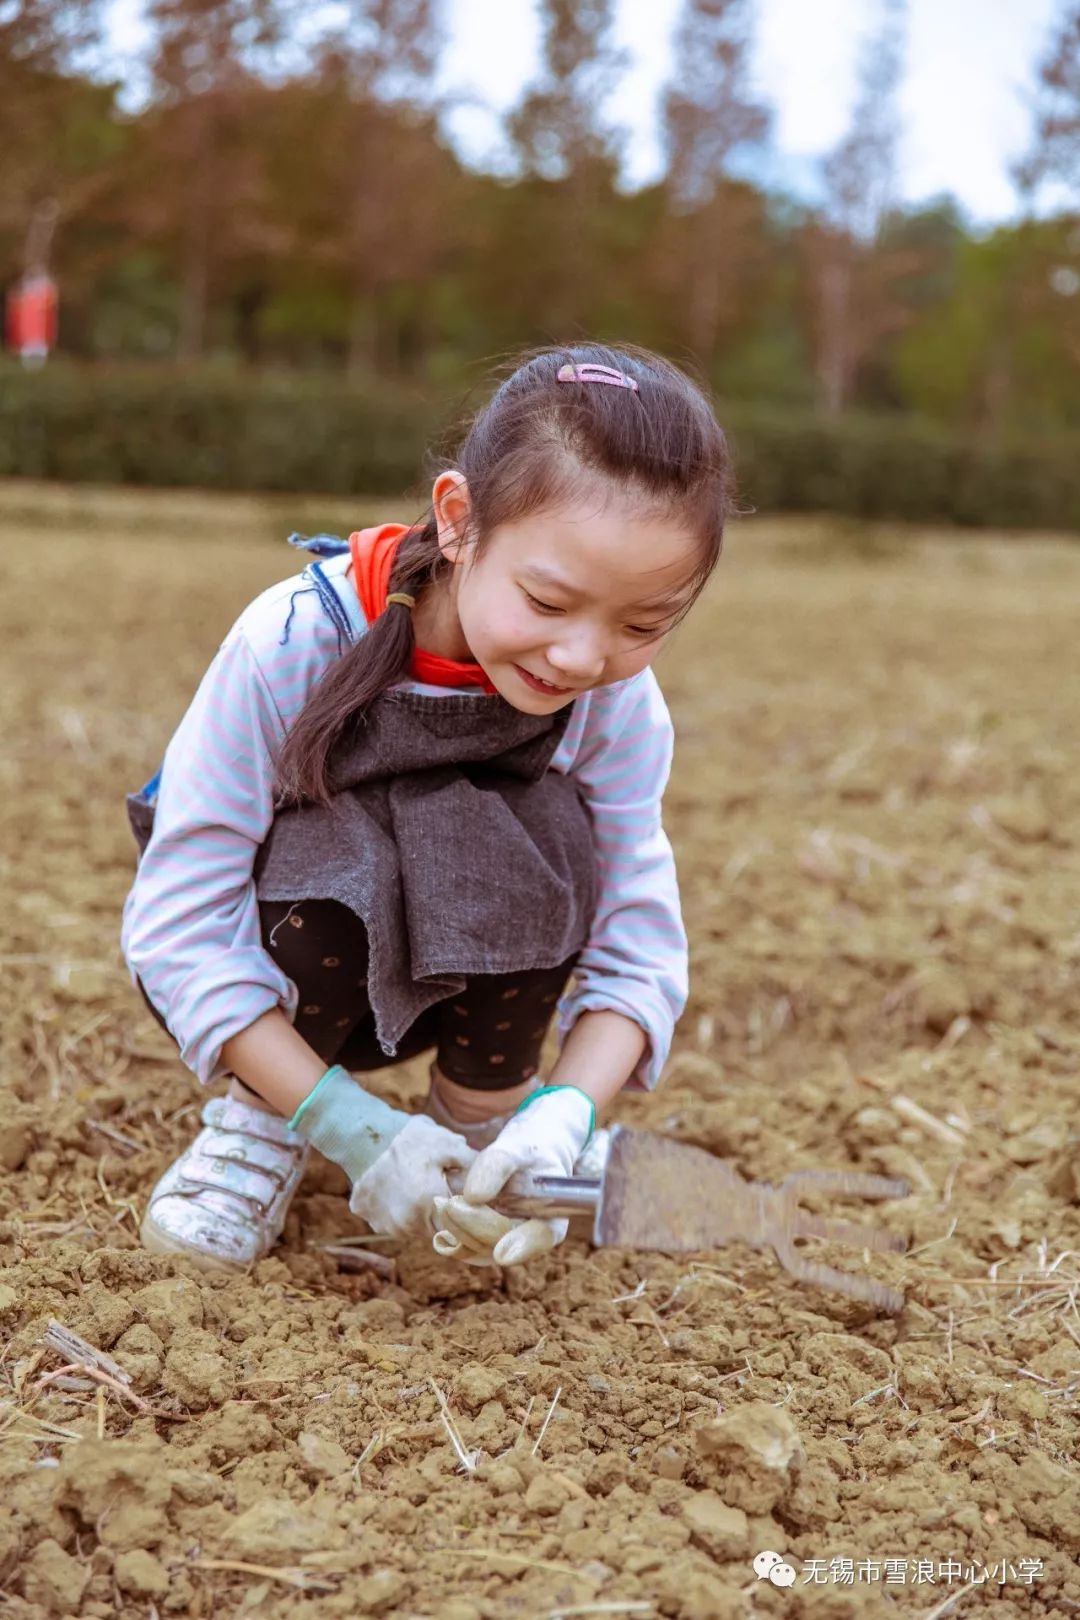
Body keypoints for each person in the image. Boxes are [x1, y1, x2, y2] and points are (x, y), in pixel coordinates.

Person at [121, 342, 734, 1272]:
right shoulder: (295, 641)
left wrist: (561, 1113)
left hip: (475, 1000)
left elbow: (638, 939)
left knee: (550, 833)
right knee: (339, 847)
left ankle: (485, 1123)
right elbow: (181, 923)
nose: (581, 658)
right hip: (291, 999)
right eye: (548, 599)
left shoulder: (614, 705)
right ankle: (261, 1129)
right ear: (459, 520)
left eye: (642, 625)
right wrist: (347, 1124)